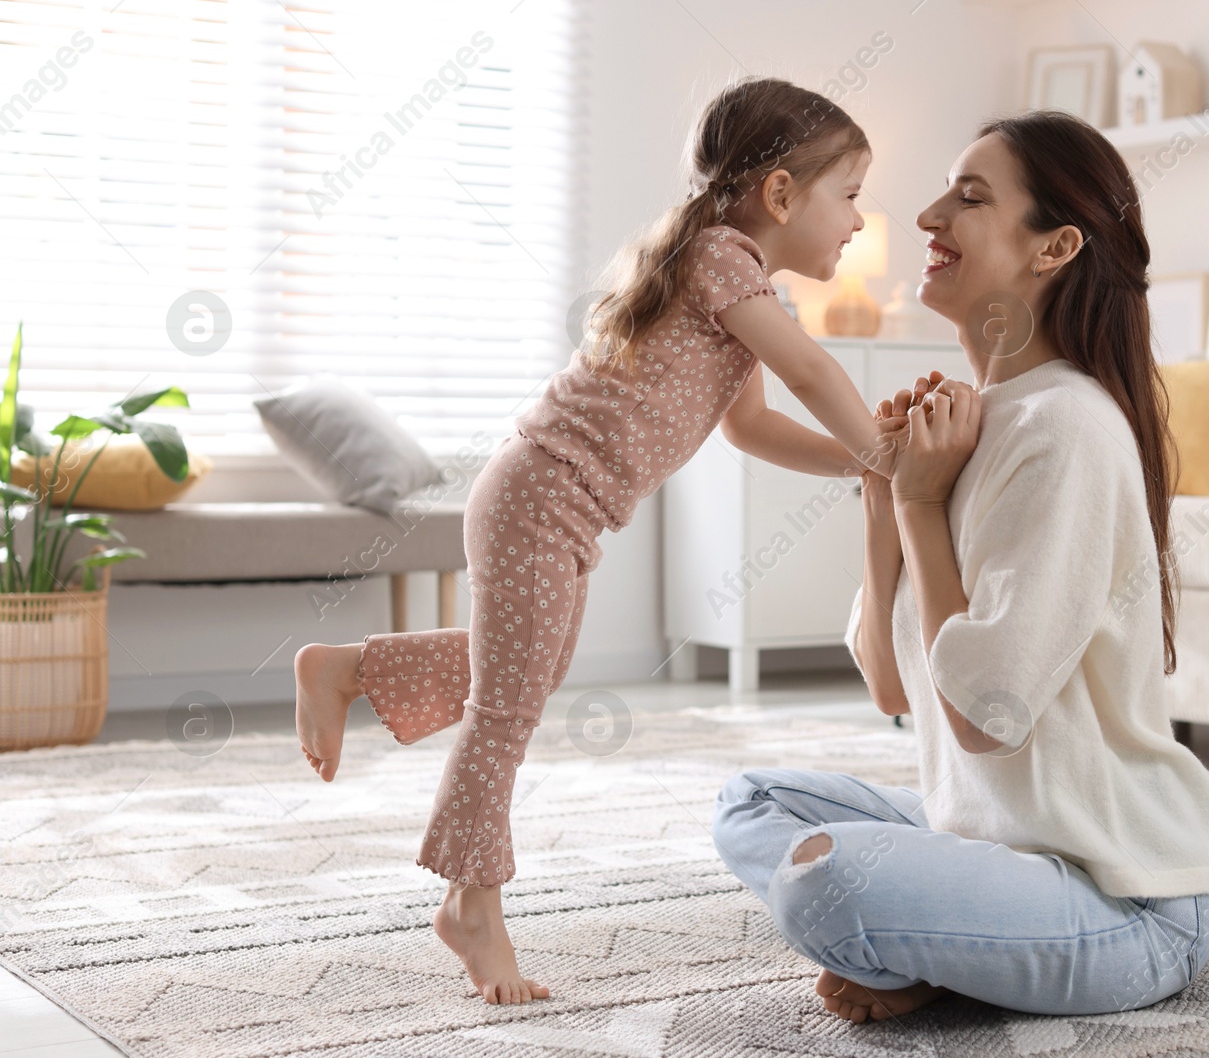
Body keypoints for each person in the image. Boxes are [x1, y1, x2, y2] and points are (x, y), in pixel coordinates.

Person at [290, 77, 908, 1005]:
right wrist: (880, 448)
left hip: (555, 504)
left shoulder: (739, 280)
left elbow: (754, 429)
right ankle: (472, 903)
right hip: (540, 492)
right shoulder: (720, 257)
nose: (861, 220)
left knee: (518, 676)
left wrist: (864, 468)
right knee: (507, 709)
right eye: (850, 194)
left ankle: (351, 669)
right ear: (781, 194)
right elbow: (815, 370)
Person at [711, 111, 1209, 1023]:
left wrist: (923, 506)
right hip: (995, 841)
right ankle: (941, 943)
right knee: (752, 803)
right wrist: (886, 492)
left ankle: (931, 944)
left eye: (970, 196)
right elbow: (888, 684)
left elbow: (984, 719)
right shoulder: (973, 426)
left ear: (1056, 246)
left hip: (1123, 896)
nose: (925, 214)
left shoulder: (1064, 427)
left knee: (821, 887)